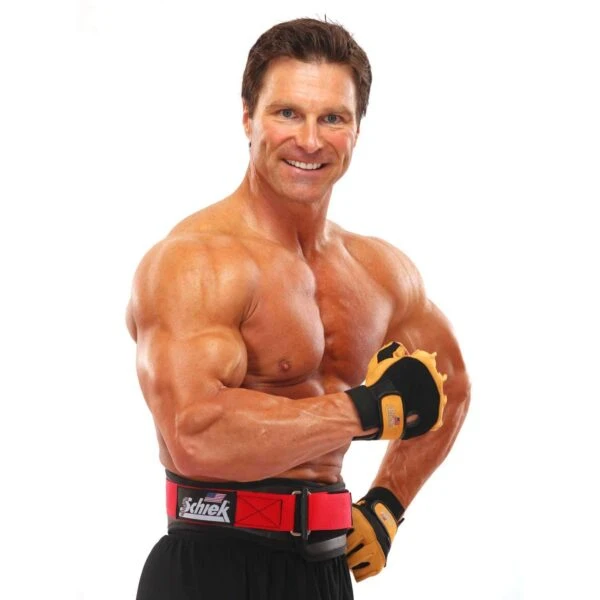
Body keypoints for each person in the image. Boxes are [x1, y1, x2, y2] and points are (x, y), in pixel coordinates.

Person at [126, 17, 470, 600]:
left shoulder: (380, 272)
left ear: (357, 129)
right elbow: (196, 433)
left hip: (325, 571)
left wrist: (386, 505)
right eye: (287, 113)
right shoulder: (196, 261)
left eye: (332, 118)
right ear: (247, 118)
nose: (309, 141)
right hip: (211, 567)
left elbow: (450, 384)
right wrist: (363, 409)